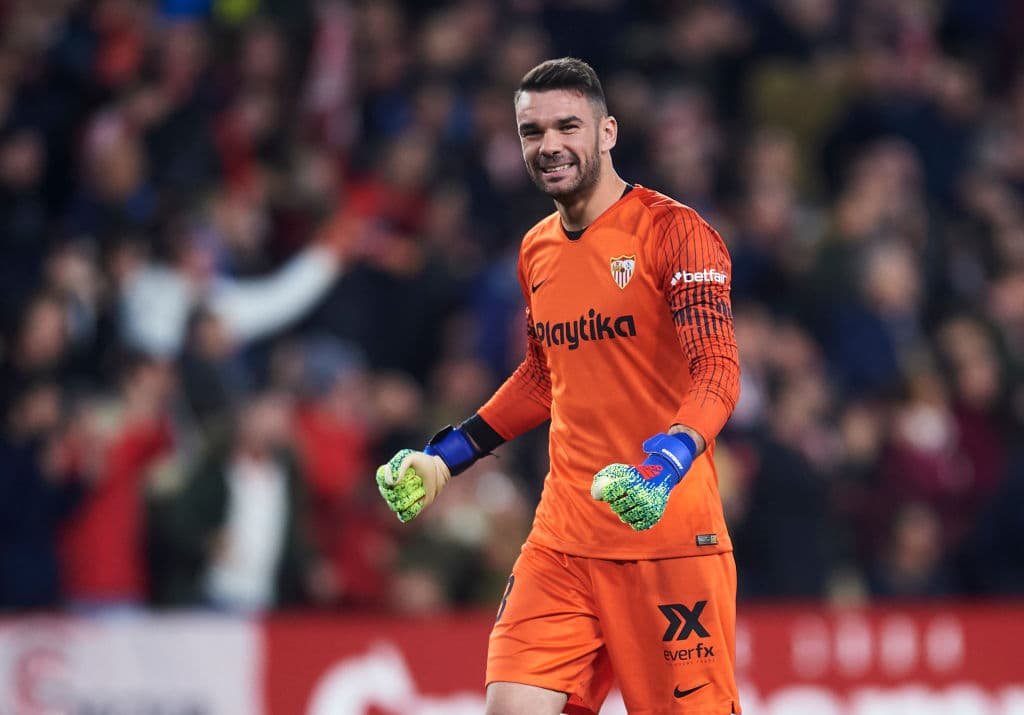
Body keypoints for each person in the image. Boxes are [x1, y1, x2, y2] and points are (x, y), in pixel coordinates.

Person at [377, 57, 742, 715]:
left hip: (667, 540)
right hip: (564, 539)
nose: (549, 145)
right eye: (532, 131)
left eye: (567, 126)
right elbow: (545, 378)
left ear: (607, 132)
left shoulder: (675, 232)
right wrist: (445, 458)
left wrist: (670, 459)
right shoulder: (537, 250)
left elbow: (716, 366)